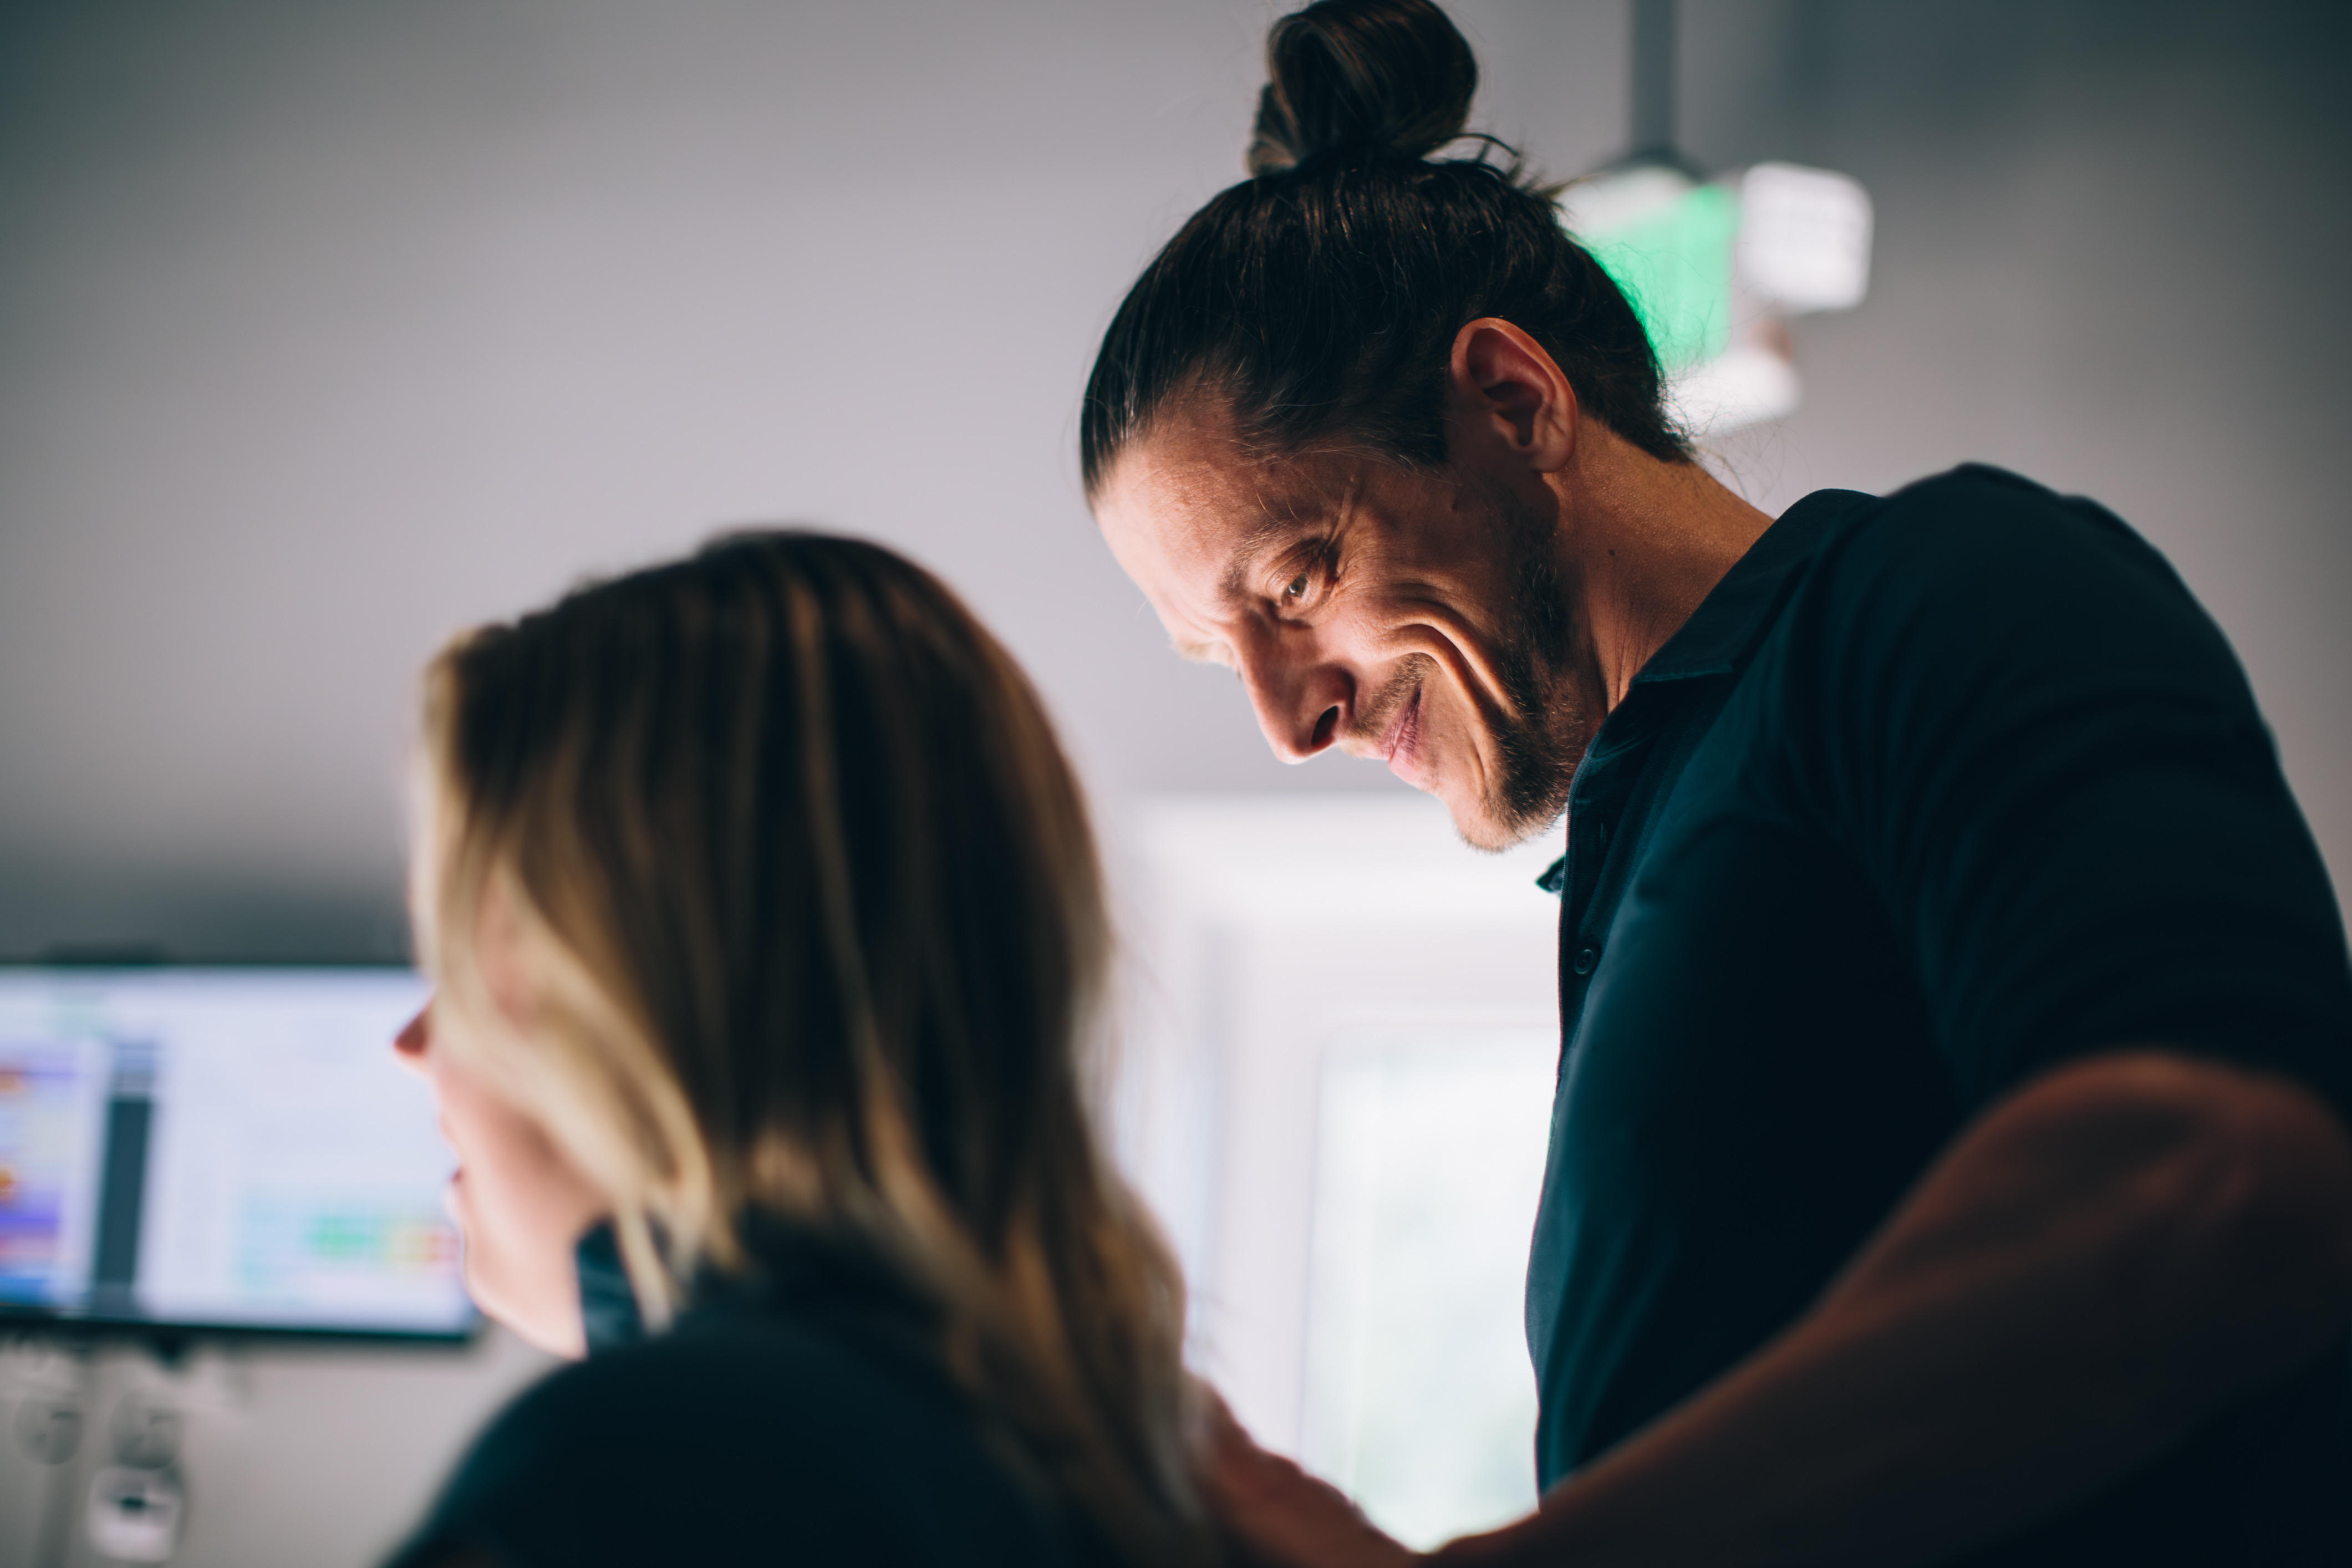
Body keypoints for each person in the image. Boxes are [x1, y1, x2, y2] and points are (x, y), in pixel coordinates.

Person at [1081, 2, 2352, 1564]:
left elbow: (2218, 1176)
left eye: (1297, 577)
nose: (1290, 721)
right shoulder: (1636, 857)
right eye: (1226, 662)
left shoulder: (1935, 594)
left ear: (1514, 402)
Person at [382, 533, 1220, 1568]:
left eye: (453, 958)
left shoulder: (640, 1474)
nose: (411, 1045)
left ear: (624, 985)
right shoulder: (1107, 1455)